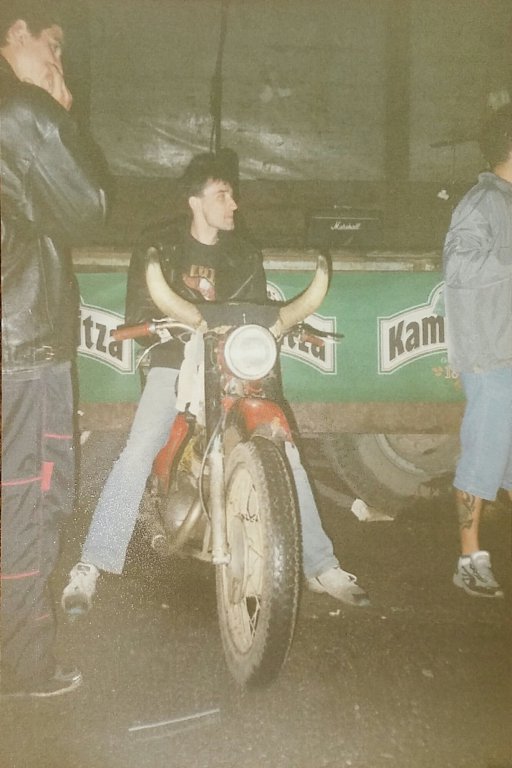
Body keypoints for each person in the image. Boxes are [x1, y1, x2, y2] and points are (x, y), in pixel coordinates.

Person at [62, 152, 370, 614]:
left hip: (231, 362)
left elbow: (258, 311)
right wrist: (155, 325)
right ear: (195, 201)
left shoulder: (244, 253)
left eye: (232, 194)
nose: (234, 204)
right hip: (175, 359)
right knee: (139, 448)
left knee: (283, 448)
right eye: (222, 195)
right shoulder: (158, 246)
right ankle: (91, 563)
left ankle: (322, 564)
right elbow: (140, 311)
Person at [1, 0, 109, 697]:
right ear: (15, 33)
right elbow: (89, 207)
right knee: (29, 502)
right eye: (54, 46)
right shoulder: (21, 112)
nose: (58, 65)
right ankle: (22, 665)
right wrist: (57, 112)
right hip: (23, 349)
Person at [443, 104, 512, 598]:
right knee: (483, 457)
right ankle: (468, 561)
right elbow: (459, 268)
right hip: (491, 357)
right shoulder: (482, 202)